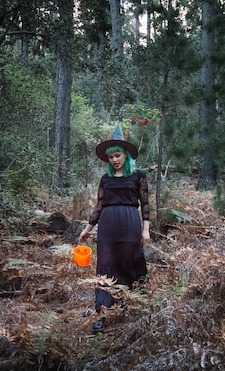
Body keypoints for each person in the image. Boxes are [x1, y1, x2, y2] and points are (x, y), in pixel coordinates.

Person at [79, 123, 150, 333]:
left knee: (131, 262)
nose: (115, 160)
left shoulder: (138, 176)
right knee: (106, 267)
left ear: (126, 155)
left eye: (117, 155)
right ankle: (102, 312)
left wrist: (146, 229)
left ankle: (132, 305)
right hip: (108, 226)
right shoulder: (105, 179)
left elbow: (145, 204)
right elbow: (99, 205)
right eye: (111, 157)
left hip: (130, 223)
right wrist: (88, 229)